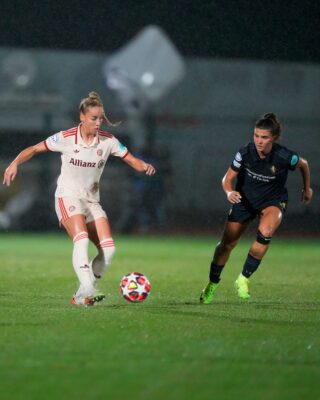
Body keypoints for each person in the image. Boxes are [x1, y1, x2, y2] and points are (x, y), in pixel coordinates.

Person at [3, 91, 156, 306]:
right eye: (94, 118)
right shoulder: (65, 138)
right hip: (67, 196)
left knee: (109, 250)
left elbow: (131, 159)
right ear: (82, 117)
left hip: (91, 201)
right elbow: (35, 149)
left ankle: (81, 294)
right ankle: (87, 289)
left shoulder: (108, 141)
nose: (98, 122)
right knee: (81, 238)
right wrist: (15, 163)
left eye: (100, 118)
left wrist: (143, 166)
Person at [200, 113, 313, 304]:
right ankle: (212, 284)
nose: (259, 141)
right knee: (227, 245)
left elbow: (304, 164)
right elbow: (227, 179)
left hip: (272, 201)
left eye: (264, 137)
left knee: (266, 232)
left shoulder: (284, 156)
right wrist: (229, 192)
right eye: (256, 136)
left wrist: (307, 187)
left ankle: (243, 279)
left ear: (274, 138)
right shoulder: (244, 153)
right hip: (244, 201)